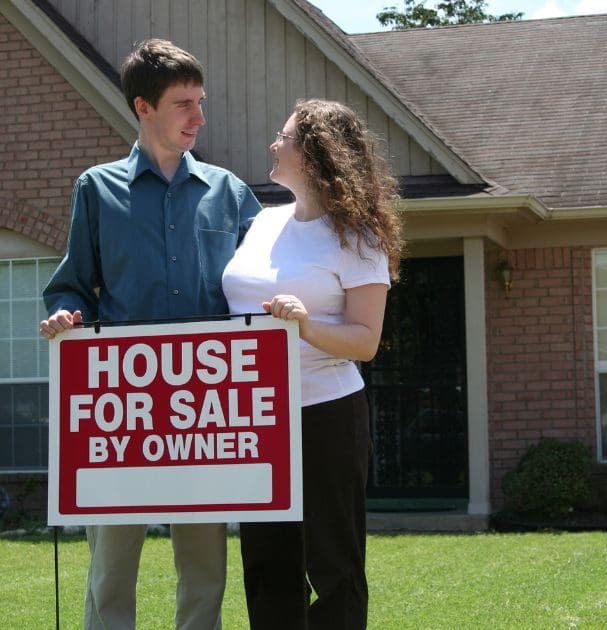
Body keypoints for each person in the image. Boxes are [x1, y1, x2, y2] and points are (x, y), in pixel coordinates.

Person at [39, 39, 261, 630]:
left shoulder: (230, 193)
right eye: (185, 104)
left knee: (204, 571)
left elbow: (263, 285)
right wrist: (65, 316)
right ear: (144, 107)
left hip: (203, 412)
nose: (199, 117)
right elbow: (70, 286)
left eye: (201, 101)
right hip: (122, 413)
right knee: (110, 575)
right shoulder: (96, 190)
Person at [221, 98, 404, 629]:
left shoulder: (358, 235)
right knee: (266, 561)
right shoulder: (262, 223)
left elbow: (366, 341)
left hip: (326, 415)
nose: (273, 146)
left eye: (283, 138)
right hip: (256, 419)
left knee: (333, 562)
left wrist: (305, 325)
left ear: (315, 154)